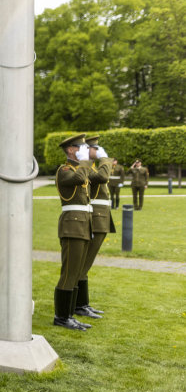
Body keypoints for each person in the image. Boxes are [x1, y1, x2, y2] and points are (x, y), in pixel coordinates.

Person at [53, 134, 93, 331]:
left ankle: (70, 314)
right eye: (80, 147)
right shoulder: (65, 170)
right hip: (72, 226)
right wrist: (85, 161)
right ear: (70, 149)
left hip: (83, 225)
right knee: (69, 272)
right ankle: (61, 316)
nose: (84, 150)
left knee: (76, 271)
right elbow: (78, 179)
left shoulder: (79, 169)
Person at [76, 135, 114, 319]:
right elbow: (104, 176)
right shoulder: (86, 169)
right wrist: (105, 159)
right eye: (95, 149)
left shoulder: (89, 168)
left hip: (102, 217)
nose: (98, 152)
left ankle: (83, 304)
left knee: (86, 264)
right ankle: (79, 306)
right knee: (83, 264)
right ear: (87, 150)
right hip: (96, 218)